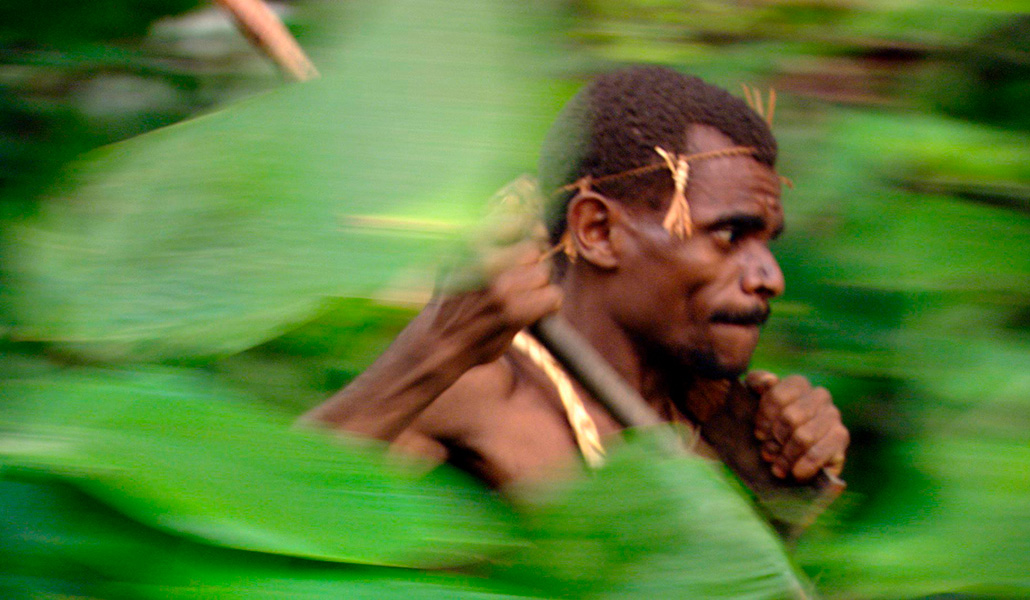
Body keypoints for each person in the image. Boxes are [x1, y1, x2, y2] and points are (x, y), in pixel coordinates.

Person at [303, 66, 849, 499]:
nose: (769, 278)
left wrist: (781, 490)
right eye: (730, 234)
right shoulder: (480, 392)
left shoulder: (710, 424)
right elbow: (264, 514)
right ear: (598, 231)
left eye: (767, 242)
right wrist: (436, 349)